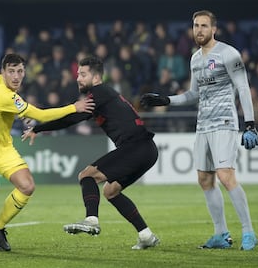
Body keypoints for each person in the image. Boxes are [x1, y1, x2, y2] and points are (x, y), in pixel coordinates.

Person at [140, 10, 258, 251]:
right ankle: (221, 234)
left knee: (225, 176)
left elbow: (243, 88)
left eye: (204, 26)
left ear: (214, 29)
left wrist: (250, 124)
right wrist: (167, 100)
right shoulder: (195, 59)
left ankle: (249, 232)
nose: (199, 30)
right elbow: (194, 94)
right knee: (205, 179)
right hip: (203, 125)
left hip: (224, 122)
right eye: (196, 26)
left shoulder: (228, 53)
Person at [22, 55, 160, 250]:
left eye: (83, 74)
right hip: (146, 150)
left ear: (96, 78)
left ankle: (91, 220)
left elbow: (71, 118)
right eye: (78, 74)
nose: (78, 78)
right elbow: (72, 117)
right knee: (111, 191)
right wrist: (39, 128)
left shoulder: (99, 92)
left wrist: (38, 128)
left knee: (86, 175)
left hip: (136, 146)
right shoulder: (102, 95)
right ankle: (146, 235)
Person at [0, 53, 94, 251]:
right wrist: (74, 107)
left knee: (27, 186)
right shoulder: (4, 95)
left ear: (25, 72)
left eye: (20, 71)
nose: (16, 76)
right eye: (11, 72)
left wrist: (17, 113)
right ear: (3, 72)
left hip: (3, 147)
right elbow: (40, 114)